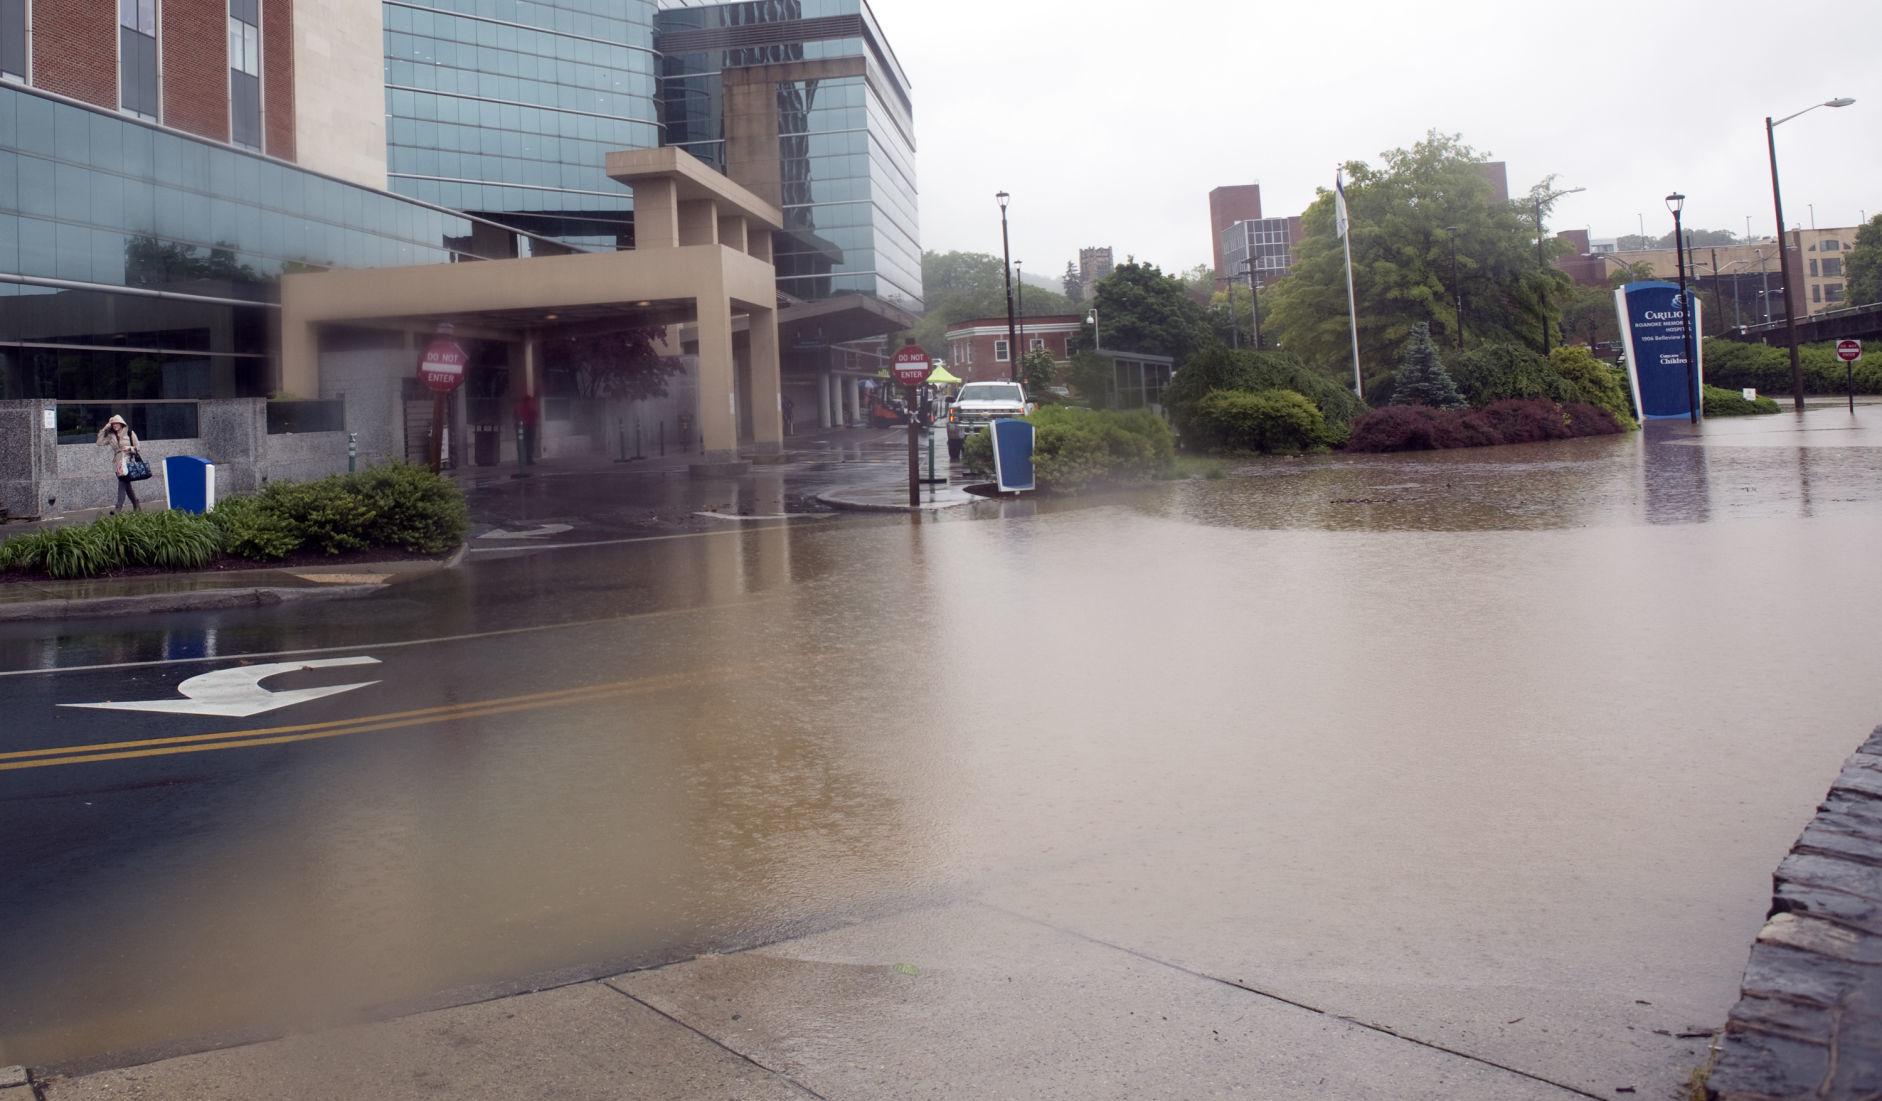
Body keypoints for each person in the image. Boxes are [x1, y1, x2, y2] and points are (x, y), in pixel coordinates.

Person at [96, 414, 142, 513]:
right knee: (127, 485)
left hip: (128, 461)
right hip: (117, 463)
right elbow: (99, 442)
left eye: (116, 423)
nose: (114, 425)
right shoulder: (110, 436)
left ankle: (118, 508)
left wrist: (130, 448)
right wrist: (105, 427)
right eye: (113, 424)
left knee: (122, 483)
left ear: (121, 423)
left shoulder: (130, 433)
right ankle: (136, 504)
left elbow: (138, 447)